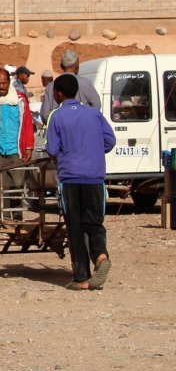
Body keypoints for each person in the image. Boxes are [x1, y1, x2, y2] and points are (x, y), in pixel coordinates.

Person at [46, 74, 116, 290]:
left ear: (58, 93)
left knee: (75, 227)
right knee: (94, 222)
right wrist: (92, 149)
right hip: (95, 177)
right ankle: (101, 257)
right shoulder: (94, 114)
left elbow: (51, 149)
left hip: (70, 178)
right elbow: (110, 140)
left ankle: (81, 278)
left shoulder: (56, 116)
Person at [0, 68, 35, 202]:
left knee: (18, 184)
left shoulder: (20, 100)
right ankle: (3, 218)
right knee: (0, 185)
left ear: (9, 82)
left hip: (16, 148)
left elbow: (27, 124)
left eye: (4, 83)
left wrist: (28, 146)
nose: (1, 87)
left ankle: (16, 215)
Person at [40, 49, 102, 121]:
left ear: (61, 66)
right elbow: (97, 106)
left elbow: (45, 115)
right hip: (82, 128)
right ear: (77, 67)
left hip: (59, 129)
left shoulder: (50, 87)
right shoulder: (86, 83)